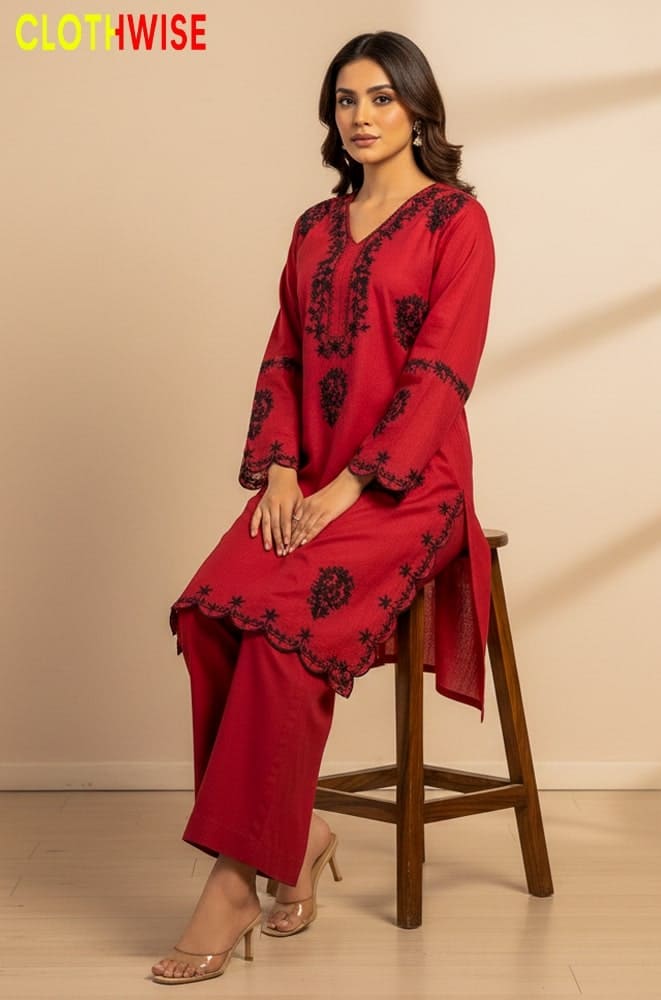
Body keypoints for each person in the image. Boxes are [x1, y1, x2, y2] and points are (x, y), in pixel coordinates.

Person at [150, 29, 495, 985]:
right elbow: (285, 354)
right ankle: (294, 837)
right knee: (209, 614)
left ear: (418, 111)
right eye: (347, 99)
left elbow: (442, 372)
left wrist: (353, 485)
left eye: (382, 97)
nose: (363, 116)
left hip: (409, 488)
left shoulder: (456, 222)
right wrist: (280, 470)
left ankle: (233, 880)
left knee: (281, 635)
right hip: (307, 479)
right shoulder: (314, 226)